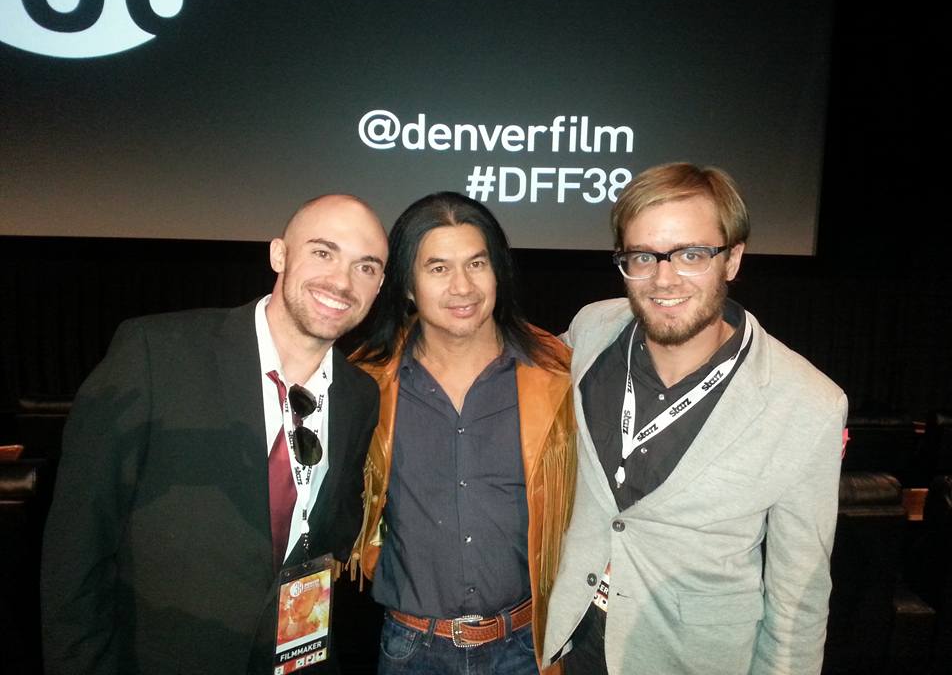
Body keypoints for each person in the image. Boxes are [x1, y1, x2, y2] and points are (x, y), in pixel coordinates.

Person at [41, 194, 389, 675]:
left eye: (365, 267)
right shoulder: (157, 353)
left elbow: (328, 532)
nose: (342, 281)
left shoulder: (359, 395)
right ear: (279, 254)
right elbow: (76, 543)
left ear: (380, 286)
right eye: (323, 252)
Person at [542, 163, 847, 675]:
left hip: (686, 657)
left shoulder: (809, 404)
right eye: (643, 255)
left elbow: (800, 598)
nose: (664, 279)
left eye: (691, 254)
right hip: (574, 641)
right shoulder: (593, 328)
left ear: (732, 259)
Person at [350, 192, 576, 675]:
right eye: (438, 268)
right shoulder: (366, 385)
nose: (463, 287)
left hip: (528, 646)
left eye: (477, 263)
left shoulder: (561, 373)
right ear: (407, 286)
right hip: (411, 649)